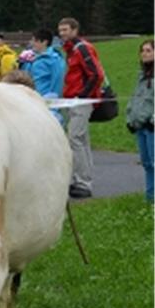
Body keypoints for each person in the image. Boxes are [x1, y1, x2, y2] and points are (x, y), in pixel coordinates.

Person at [58, 17, 104, 199]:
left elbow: (96, 74)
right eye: (60, 30)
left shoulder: (82, 48)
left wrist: (83, 96)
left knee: (75, 138)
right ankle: (83, 179)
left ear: (75, 30)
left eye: (65, 30)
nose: (62, 34)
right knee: (82, 140)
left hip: (81, 101)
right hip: (73, 100)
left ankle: (82, 182)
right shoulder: (70, 51)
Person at [125, 39, 154, 204]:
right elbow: (135, 99)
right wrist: (130, 118)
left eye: (149, 50)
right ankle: (150, 198)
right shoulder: (142, 75)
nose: (144, 53)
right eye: (142, 50)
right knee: (147, 163)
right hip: (140, 124)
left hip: (152, 125)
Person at [17, 28, 65, 103]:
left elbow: (57, 81)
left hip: (44, 100)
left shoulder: (54, 59)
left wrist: (53, 102)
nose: (32, 43)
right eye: (32, 40)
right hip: (29, 99)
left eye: (35, 41)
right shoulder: (28, 57)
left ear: (45, 42)